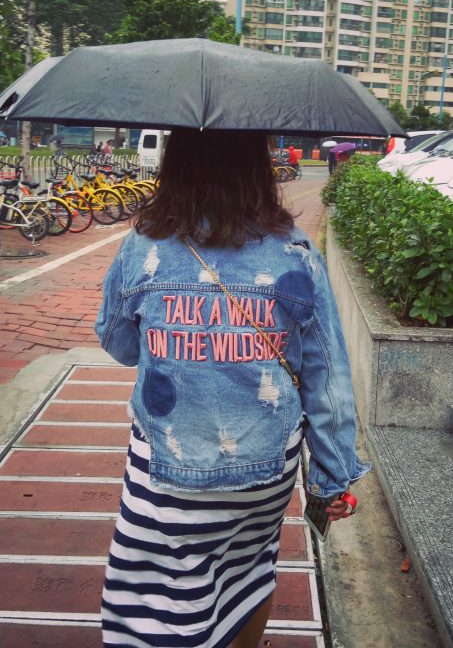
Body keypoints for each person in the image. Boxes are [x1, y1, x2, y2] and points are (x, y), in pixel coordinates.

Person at [96, 128, 369, 648]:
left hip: (167, 472)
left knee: (156, 597)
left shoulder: (142, 247)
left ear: (175, 165)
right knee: (248, 574)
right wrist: (332, 478)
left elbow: (119, 344)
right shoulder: (296, 252)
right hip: (266, 472)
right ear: (257, 165)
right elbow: (325, 375)